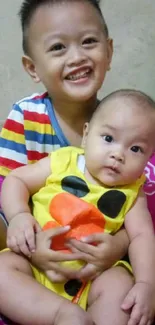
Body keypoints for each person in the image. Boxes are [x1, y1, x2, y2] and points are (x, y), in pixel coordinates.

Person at [0, 0, 154, 324]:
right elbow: (9, 184)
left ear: (108, 52)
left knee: (121, 289)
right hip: (36, 259)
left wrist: (121, 253)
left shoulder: (132, 122)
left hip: (98, 270)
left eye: (88, 42)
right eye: (58, 47)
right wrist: (21, 226)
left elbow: (142, 230)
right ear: (32, 67)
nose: (77, 56)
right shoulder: (29, 122)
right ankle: (62, 315)